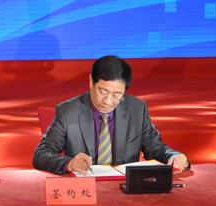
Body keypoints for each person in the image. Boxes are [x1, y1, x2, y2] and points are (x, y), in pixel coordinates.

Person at [33, 55, 189, 175]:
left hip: (125, 190)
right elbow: (41, 154)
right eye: (103, 92)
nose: (108, 101)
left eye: (117, 94)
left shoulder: (137, 109)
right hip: (86, 189)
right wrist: (69, 163)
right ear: (91, 81)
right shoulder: (68, 111)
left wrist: (174, 156)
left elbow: (154, 148)